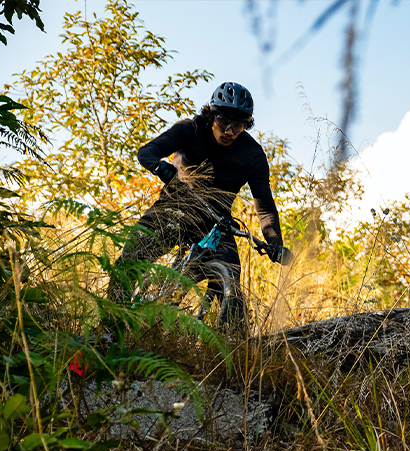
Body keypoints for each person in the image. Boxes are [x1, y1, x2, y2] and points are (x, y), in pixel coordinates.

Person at [109, 81, 287, 326]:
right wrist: (161, 167)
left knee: (232, 280)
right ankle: (110, 324)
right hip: (174, 208)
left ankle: (232, 344)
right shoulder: (190, 129)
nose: (229, 132)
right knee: (131, 258)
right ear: (211, 115)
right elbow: (147, 151)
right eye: (224, 123)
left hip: (216, 223)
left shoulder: (253, 154)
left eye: (238, 126)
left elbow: (264, 205)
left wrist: (275, 244)